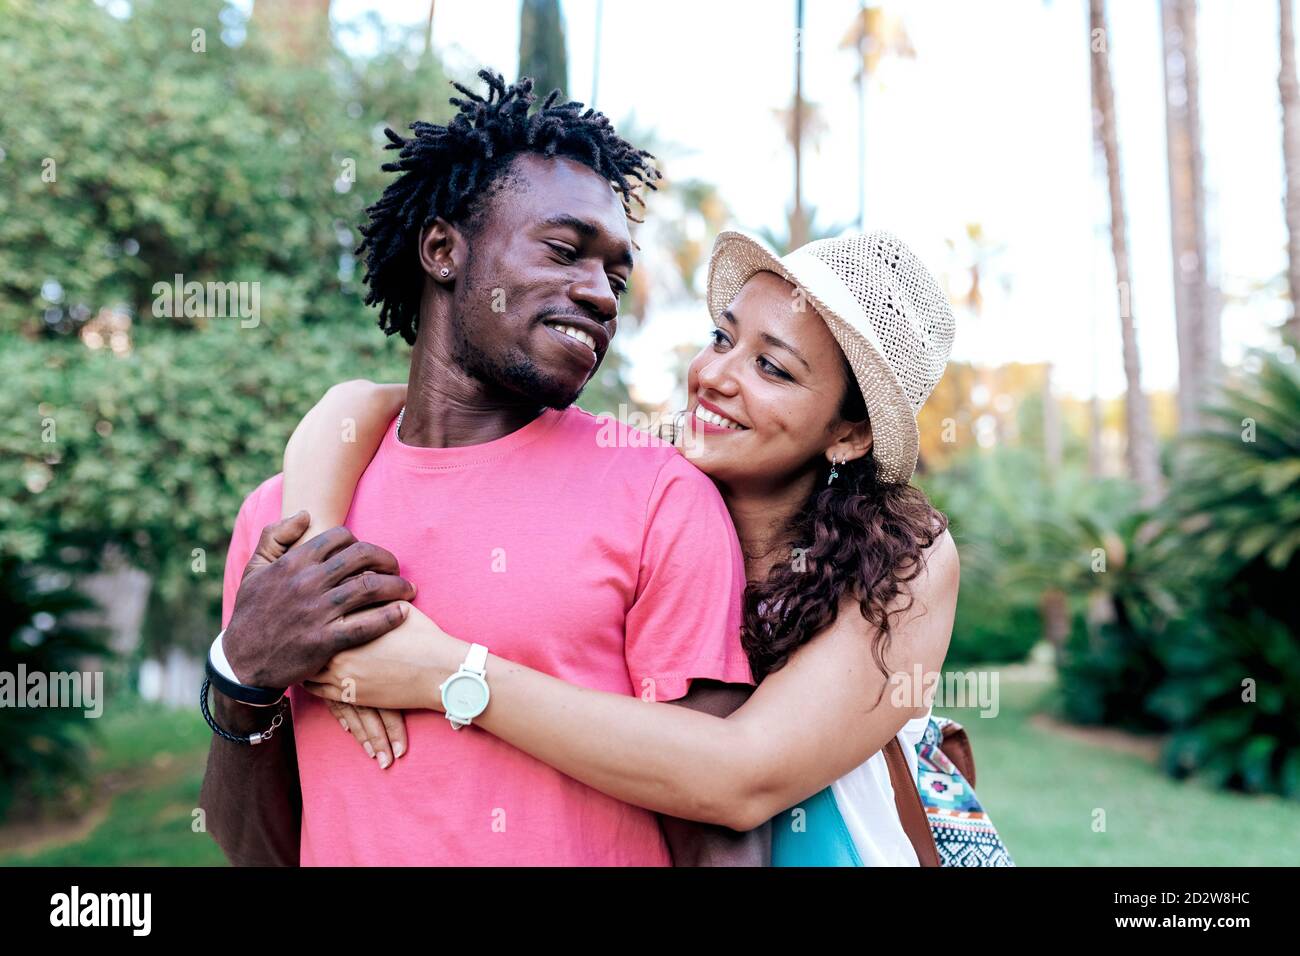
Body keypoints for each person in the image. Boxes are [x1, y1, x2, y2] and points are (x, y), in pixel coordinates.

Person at [199, 71, 765, 867]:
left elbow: (720, 832)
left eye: (615, 274)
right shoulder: (285, 520)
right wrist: (243, 671)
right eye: (566, 250)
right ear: (442, 250)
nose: (602, 295)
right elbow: (262, 851)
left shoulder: (659, 495)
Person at [283, 227, 961, 866]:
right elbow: (363, 407)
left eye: (772, 368)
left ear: (849, 435)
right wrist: (311, 583)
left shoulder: (905, 563)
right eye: (721, 337)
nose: (716, 375)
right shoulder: (650, 485)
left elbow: (741, 777)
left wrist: (450, 675)